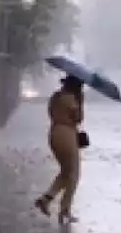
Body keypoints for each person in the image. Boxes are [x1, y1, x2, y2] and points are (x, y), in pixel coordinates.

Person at [35, 75, 85, 224]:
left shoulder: (56, 97)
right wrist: (81, 102)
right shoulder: (71, 99)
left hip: (54, 132)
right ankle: (65, 210)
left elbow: (51, 113)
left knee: (65, 172)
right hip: (67, 134)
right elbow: (78, 118)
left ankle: (46, 199)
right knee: (74, 174)